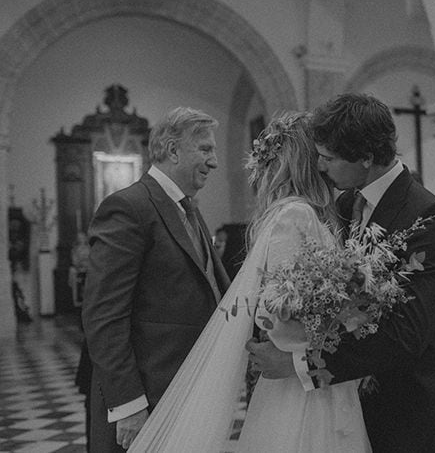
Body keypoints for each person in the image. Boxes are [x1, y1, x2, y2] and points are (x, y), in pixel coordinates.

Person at [128, 112, 371, 452]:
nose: (326, 163)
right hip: (299, 388)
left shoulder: (302, 213)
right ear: (306, 160)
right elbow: (274, 311)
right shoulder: (295, 215)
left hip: (310, 380)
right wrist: (344, 320)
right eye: (322, 155)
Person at [248, 93, 435, 452]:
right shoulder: (345, 203)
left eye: (328, 158)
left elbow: (405, 335)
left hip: (406, 402)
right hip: (348, 400)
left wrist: (300, 364)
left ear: (366, 157)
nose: (319, 167)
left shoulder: (426, 216)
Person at [81, 106, 231, 452]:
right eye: (205, 149)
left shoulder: (187, 208)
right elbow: (103, 317)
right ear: (173, 150)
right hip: (145, 398)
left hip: (186, 391)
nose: (215, 162)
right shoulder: (129, 207)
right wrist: (130, 404)